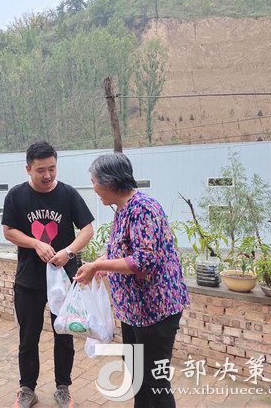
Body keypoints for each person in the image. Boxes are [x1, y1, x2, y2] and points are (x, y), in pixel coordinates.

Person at [75, 153, 189, 408]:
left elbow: (143, 261)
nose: (94, 188)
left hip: (155, 311)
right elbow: (122, 250)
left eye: (94, 182)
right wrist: (102, 262)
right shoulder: (123, 209)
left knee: (155, 381)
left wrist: (98, 266)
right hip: (134, 311)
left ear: (109, 182)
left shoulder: (143, 208)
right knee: (138, 376)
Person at [2, 140, 94, 408]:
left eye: (52, 168)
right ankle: (27, 389)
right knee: (28, 338)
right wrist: (35, 243)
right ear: (28, 169)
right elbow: (8, 231)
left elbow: (87, 229)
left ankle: (63, 387)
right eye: (41, 170)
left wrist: (68, 251)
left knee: (64, 334)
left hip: (64, 279)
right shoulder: (16, 196)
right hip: (29, 280)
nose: (47, 175)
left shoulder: (68, 194)